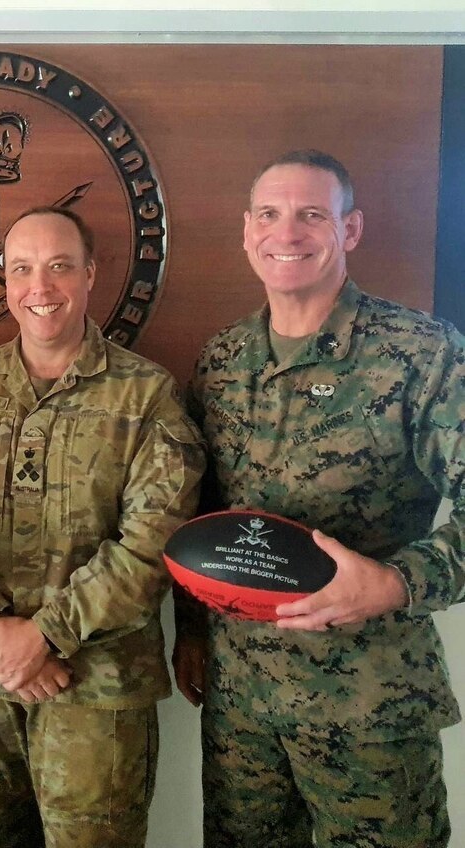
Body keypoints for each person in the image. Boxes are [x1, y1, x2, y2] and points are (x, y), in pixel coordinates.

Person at [175, 150, 465, 846]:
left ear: (351, 229)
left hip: (370, 708)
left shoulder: (420, 353)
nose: (288, 233)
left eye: (312, 215)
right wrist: (188, 631)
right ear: (247, 232)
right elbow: (203, 510)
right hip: (243, 708)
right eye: (270, 215)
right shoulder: (222, 362)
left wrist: (397, 583)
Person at [0, 206, 205, 848]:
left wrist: (45, 634)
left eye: (60, 266)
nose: (40, 288)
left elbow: (153, 544)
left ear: (91, 275)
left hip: (100, 689)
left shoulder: (145, 394)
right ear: (6, 282)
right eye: (22, 269)